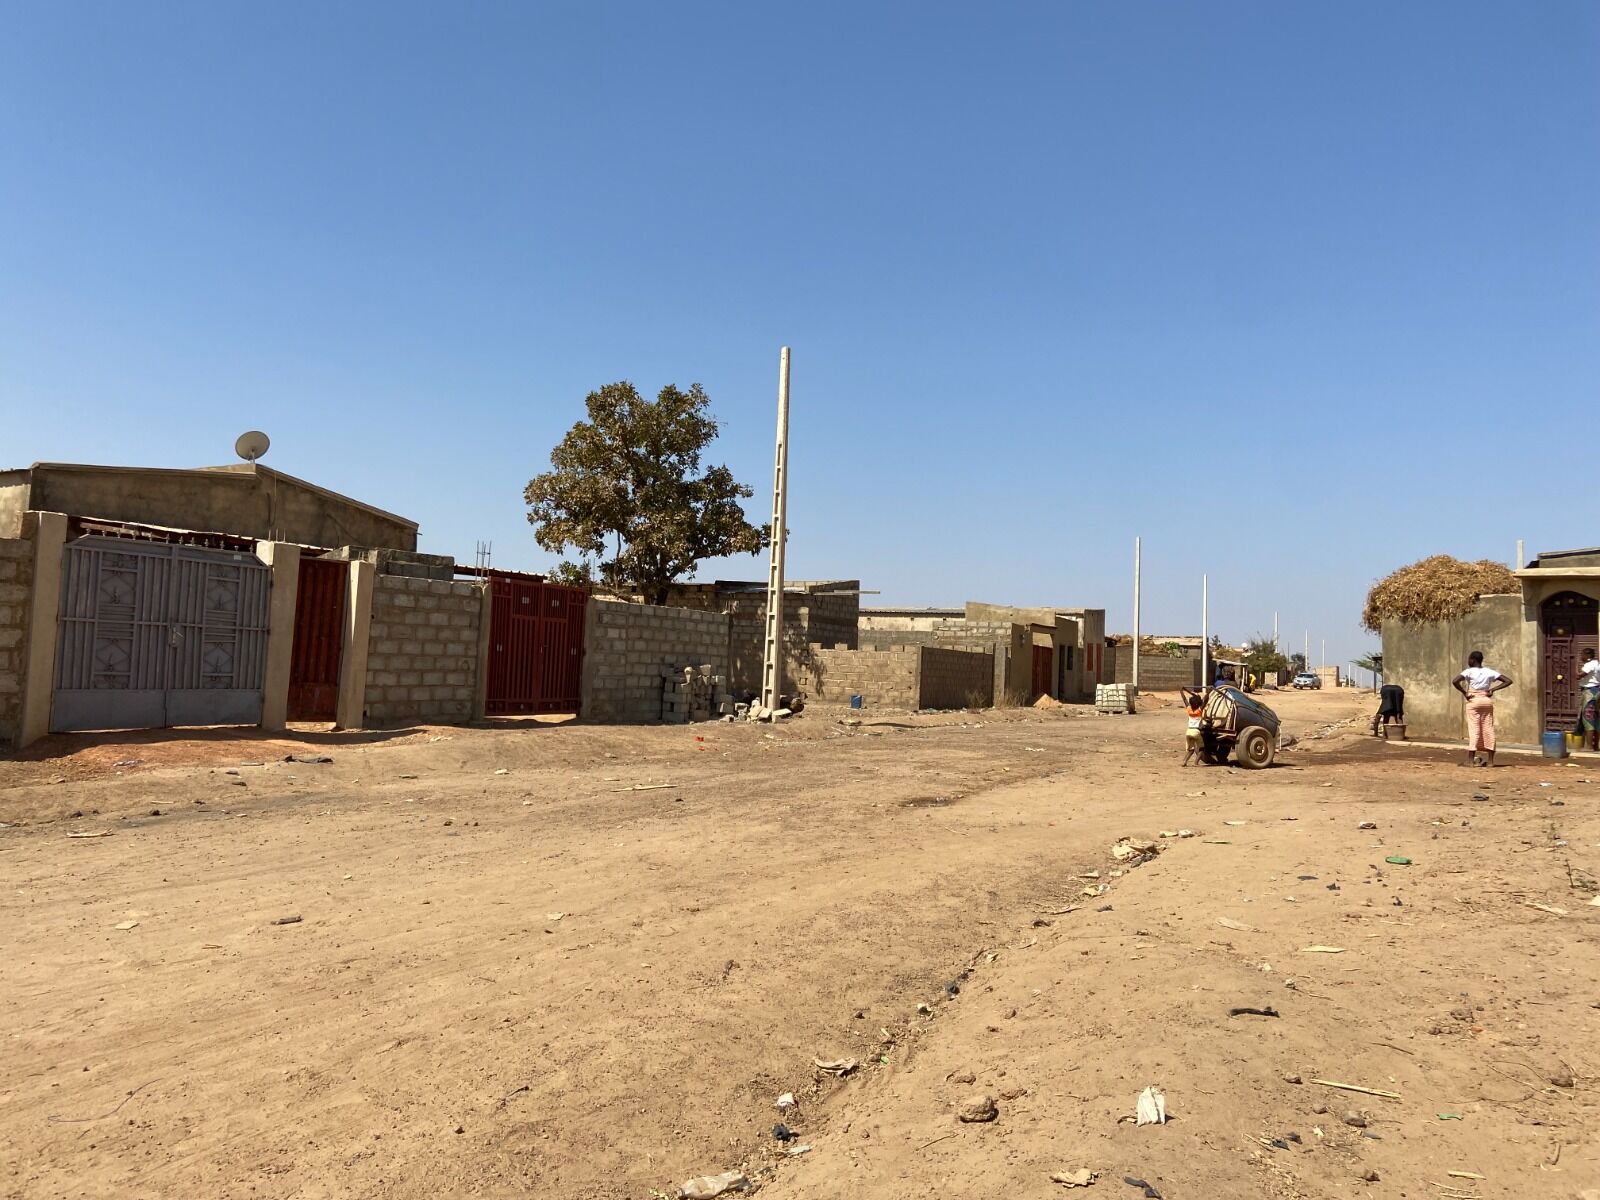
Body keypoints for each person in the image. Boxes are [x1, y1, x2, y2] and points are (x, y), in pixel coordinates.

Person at [1451, 651, 1513, 767]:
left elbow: (1455, 681)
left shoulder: (1469, 671)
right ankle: (1491, 761)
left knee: (1474, 729)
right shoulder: (1489, 672)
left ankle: (1470, 760)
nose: (1468, 661)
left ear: (1473, 660)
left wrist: (1464, 692)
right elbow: (1508, 681)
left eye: (1469, 659)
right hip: (1486, 701)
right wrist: (1493, 689)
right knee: (1488, 728)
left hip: (1473, 701)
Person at [1577, 646, 1600, 753]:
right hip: (1597, 691)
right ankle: (1596, 746)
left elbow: (1578, 676)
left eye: (1582, 655)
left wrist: (1575, 667)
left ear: (1588, 656)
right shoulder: (1597, 664)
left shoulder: (1590, 664)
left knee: (1588, 718)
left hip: (1590, 692)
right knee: (1597, 718)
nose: (1581, 657)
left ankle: (1589, 746)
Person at [1181, 688, 1206, 766]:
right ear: (1199, 704)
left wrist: (1181, 692)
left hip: (1188, 731)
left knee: (1190, 750)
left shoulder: (1189, 710)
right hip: (1196, 731)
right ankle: (1196, 762)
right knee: (1202, 748)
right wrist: (1208, 692)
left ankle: (1184, 761)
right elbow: (1205, 701)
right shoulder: (1199, 711)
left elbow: (1185, 700)